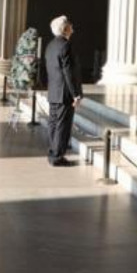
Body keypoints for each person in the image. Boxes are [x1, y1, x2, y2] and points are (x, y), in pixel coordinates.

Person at [43, 15, 82, 166]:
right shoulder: (66, 45)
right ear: (65, 28)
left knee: (53, 124)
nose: (72, 28)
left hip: (53, 92)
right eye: (70, 25)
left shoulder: (51, 45)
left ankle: (53, 152)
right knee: (62, 126)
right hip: (64, 93)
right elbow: (69, 73)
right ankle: (57, 157)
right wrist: (76, 95)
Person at [6, 26, 40, 126]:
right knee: (21, 83)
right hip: (22, 67)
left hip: (22, 66)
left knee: (21, 84)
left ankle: (17, 107)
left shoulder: (24, 41)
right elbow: (26, 53)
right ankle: (16, 109)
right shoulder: (26, 43)